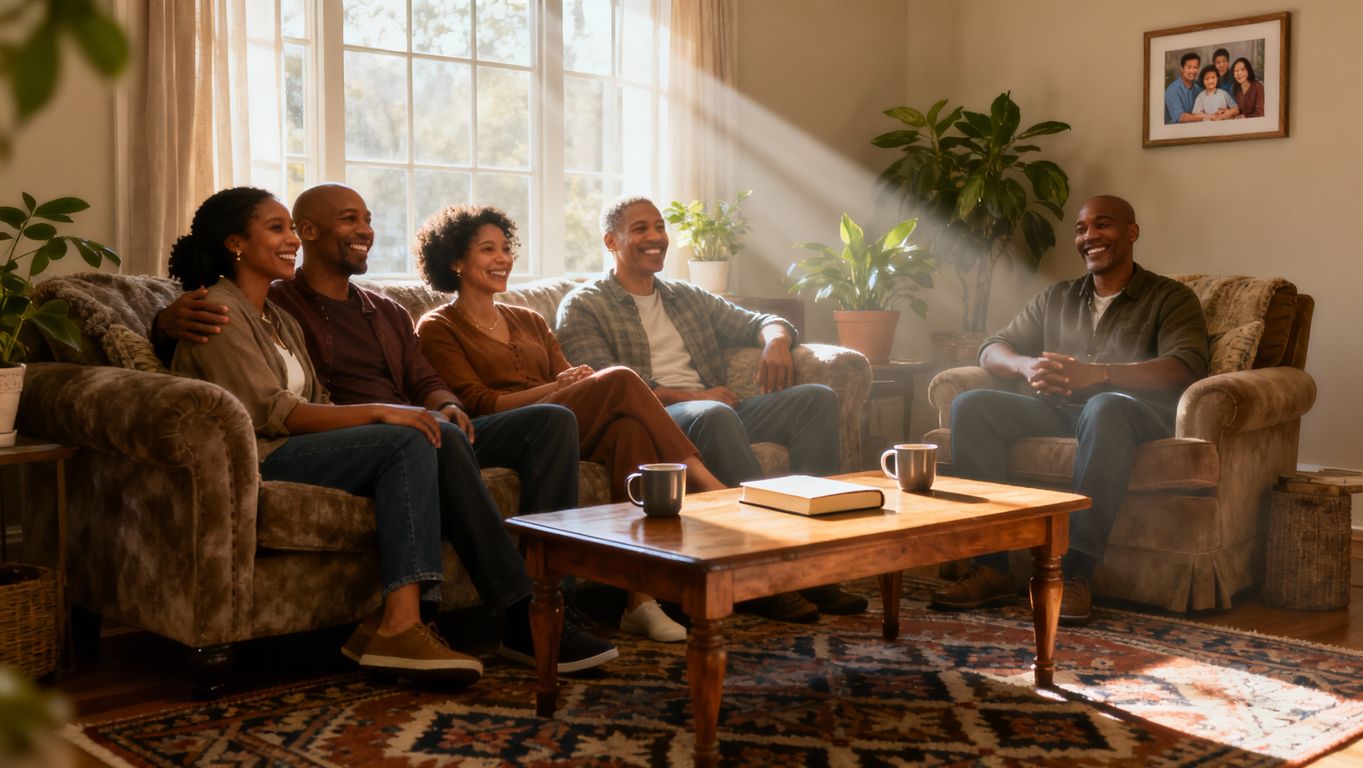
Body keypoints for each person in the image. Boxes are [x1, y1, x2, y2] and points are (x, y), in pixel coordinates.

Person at [158, 184, 617, 674]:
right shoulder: (266, 303)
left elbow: (419, 380)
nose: (365, 230)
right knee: (424, 435)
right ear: (242, 242)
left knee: (548, 421)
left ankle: (551, 598)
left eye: (368, 219)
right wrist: (164, 322)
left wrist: (444, 404)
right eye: (281, 228)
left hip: (398, 429)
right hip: (339, 441)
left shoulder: (324, 314)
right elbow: (266, 399)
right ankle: (519, 613)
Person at [167, 186, 484, 684]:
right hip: (259, 457)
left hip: (296, 446)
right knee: (409, 437)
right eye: (277, 228)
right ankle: (402, 626)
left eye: (291, 229)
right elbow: (273, 412)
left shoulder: (277, 317)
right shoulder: (219, 312)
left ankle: (384, 624)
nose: (292, 239)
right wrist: (383, 413)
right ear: (236, 244)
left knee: (418, 433)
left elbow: (320, 400)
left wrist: (392, 417)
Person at [413, 205, 730, 642]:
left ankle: (639, 599)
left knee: (629, 429)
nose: (503, 258)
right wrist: (556, 388)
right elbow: (480, 404)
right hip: (504, 430)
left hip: (560, 426)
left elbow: (568, 376)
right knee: (620, 381)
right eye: (487, 250)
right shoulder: (437, 326)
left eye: (506, 248)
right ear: (455, 262)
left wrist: (570, 382)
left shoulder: (528, 319)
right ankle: (708, 485)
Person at [555, 195, 865, 621]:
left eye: (659, 227)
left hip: (716, 408)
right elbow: (608, 387)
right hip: (660, 416)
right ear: (611, 241)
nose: (655, 237)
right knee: (714, 414)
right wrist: (691, 396)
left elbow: (759, 321)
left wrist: (777, 341)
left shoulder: (684, 296)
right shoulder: (585, 305)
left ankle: (815, 563)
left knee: (816, 399)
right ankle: (759, 570)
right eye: (640, 229)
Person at [929, 195, 1208, 625]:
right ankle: (991, 566)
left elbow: (1185, 366)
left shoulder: (1169, 297)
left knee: (1104, 406)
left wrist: (1099, 375)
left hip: (1131, 414)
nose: (1089, 236)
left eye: (1103, 225)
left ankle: (1074, 572)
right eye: (1081, 229)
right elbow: (992, 348)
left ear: (1132, 232)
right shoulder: (1057, 297)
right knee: (972, 405)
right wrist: (1025, 366)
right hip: (1059, 410)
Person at [1164, 52, 1203, 124]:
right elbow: (1180, 117)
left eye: (1195, 67)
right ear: (1182, 69)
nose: (1192, 71)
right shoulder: (1172, 90)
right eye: (1189, 67)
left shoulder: (1199, 89)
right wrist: (1206, 117)